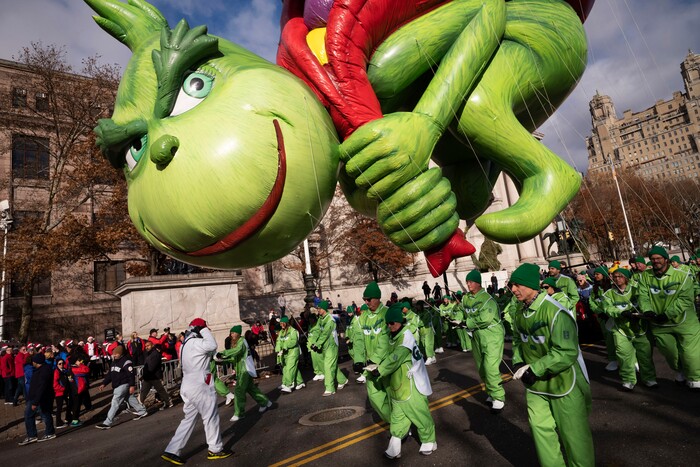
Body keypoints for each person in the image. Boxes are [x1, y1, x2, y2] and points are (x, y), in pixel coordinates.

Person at [509, 263, 594, 467]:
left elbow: (566, 352)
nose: (513, 290)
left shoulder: (556, 311)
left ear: (531, 285)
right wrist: (518, 360)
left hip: (564, 383)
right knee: (541, 432)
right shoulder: (520, 312)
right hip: (536, 386)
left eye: (518, 285)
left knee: (574, 437)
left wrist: (536, 369)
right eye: (512, 285)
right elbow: (518, 339)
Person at [369, 303, 436, 459]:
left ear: (400, 321)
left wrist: (379, 370)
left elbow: (395, 358)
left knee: (418, 412)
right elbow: (384, 352)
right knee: (398, 416)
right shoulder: (392, 336)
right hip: (397, 385)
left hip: (411, 384)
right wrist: (371, 363)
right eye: (387, 323)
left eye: (392, 322)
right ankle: (395, 446)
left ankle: (429, 440)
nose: (390, 326)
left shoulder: (406, 337)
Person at [162, 319, 231, 464]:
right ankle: (215, 449)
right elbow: (212, 344)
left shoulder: (185, 345)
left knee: (189, 419)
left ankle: (172, 450)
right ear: (198, 330)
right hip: (200, 384)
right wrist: (203, 329)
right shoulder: (196, 343)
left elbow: (208, 352)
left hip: (188, 384)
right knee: (210, 416)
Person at [637, 246, 700, 389]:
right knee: (671, 354)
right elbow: (643, 295)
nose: (655, 261)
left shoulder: (682, 275)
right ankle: (680, 371)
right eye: (653, 259)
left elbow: (685, 299)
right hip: (659, 325)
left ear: (666, 259)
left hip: (685, 322)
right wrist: (647, 310)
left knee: (691, 353)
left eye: (659, 258)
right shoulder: (645, 276)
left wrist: (667, 314)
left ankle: (695, 377)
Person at [603, 268, 657, 390]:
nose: (617, 279)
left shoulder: (636, 290)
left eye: (620, 276)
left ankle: (649, 378)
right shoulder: (608, 294)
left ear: (626, 278)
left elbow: (644, 301)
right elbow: (607, 308)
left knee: (645, 355)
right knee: (624, 355)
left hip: (640, 329)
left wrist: (640, 312)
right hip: (621, 330)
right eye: (615, 277)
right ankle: (628, 380)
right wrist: (621, 313)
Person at [462, 269, 505, 412]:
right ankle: (491, 393)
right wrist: (456, 318)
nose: (468, 285)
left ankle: (499, 397)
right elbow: (462, 313)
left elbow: (485, 319)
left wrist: (466, 323)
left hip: (492, 335)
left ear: (478, 283)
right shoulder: (466, 298)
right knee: (481, 367)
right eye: (467, 282)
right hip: (477, 336)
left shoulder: (487, 299)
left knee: (490, 367)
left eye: (471, 282)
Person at [353, 282, 391, 422]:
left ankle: (400, 427)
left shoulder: (387, 313)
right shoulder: (362, 317)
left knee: (393, 395)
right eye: (364, 299)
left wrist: (376, 359)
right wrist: (358, 360)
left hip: (386, 364)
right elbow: (358, 340)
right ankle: (394, 423)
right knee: (374, 396)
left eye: (369, 299)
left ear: (377, 298)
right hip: (370, 366)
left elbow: (385, 339)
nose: (366, 302)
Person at [220, 325, 272, 422]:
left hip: (245, 369)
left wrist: (224, 353)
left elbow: (237, 351)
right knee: (251, 389)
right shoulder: (236, 343)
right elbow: (234, 357)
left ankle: (239, 413)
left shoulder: (241, 342)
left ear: (238, 333)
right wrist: (223, 360)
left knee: (239, 390)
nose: (232, 335)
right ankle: (265, 402)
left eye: (233, 333)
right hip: (241, 370)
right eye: (231, 333)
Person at [96, 345, 147, 429]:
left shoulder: (126, 362)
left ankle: (107, 422)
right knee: (130, 398)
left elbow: (131, 375)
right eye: (114, 354)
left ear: (121, 354)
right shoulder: (113, 362)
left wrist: (132, 385)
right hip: (117, 385)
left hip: (123, 384)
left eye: (116, 354)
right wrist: (104, 383)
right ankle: (142, 411)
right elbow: (110, 375)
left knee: (115, 402)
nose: (114, 355)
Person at [310, 300, 348, 396]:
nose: (317, 310)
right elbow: (318, 330)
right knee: (332, 365)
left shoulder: (330, 320)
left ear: (323, 309)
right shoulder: (321, 319)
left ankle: (330, 388)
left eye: (319, 308)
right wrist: (314, 342)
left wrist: (317, 344)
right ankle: (342, 380)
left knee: (328, 366)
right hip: (324, 346)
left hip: (331, 346)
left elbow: (325, 334)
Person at [18, 353, 55, 445]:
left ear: (36, 362)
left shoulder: (44, 371)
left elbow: (41, 387)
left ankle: (46, 433)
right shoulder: (41, 369)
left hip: (40, 397)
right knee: (39, 414)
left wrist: (35, 401)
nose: (32, 363)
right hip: (36, 397)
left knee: (42, 414)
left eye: (33, 361)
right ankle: (34, 435)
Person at [589, 266, 617, 371]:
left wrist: (609, 312)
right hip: (602, 318)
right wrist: (598, 311)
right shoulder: (594, 288)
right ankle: (613, 359)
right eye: (595, 274)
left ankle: (629, 360)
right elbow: (591, 302)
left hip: (612, 316)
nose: (595, 276)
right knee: (608, 338)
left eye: (598, 274)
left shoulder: (612, 287)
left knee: (619, 338)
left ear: (604, 275)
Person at [141, 340, 174, 409]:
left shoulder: (155, 354)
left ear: (152, 345)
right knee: (143, 391)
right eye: (146, 346)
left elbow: (152, 366)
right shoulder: (147, 354)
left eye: (148, 346)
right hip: (148, 377)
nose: (146, 347)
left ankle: (168, 402)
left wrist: (146, 373)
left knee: (161, 390)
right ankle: (139, 407)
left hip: (155, 376)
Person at [275, 316, 304, 392]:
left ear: (286, 323)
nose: (281, 325)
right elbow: (278, 341)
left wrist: (285, 346)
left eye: (282, 323)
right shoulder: (281, 331)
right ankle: (299, 382)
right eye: (280, 323)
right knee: (287, 368)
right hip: (284, 353)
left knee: (290, 368)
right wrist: (278, 349)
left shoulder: (293, 331)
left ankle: (289, 385)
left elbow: (294, 341)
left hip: (293, 352)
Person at [53, 358, 72, 428]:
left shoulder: (64, 371)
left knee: (69, 404)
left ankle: (68, 418)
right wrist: (62, 389)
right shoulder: (56, 372)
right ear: (57, 365)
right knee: (59, 407)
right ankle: (58, 422)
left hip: (65, 391)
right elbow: (55, 384)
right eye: (59, 364)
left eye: (62, 363)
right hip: (59, 392)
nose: (61, 365)